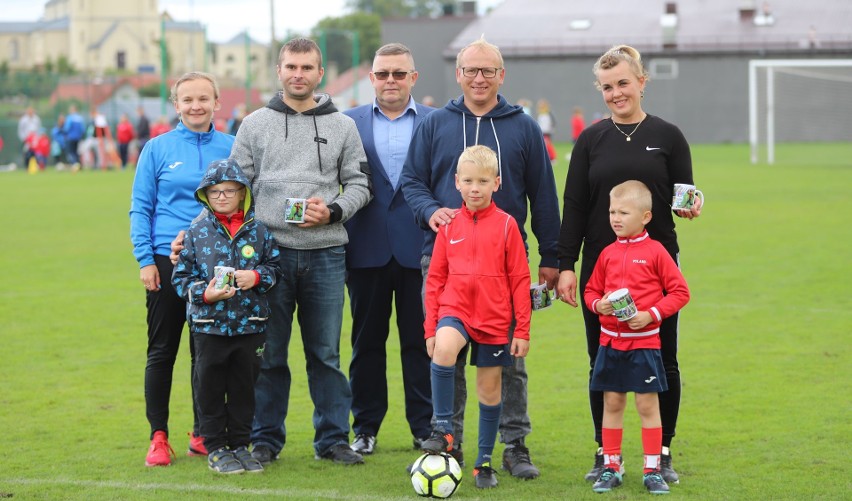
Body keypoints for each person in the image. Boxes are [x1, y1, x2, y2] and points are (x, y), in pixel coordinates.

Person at [401, 35, 561, 479]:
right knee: (444, 354)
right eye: (471, 69)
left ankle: (514, 444)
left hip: (504, 266)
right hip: (444, 259)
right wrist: (432, 212)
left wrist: (552, 254)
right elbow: (411, 182)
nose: (478, 77)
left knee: (508, 362)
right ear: (459, 74)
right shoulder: (435, 125)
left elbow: (544, 196)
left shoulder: (523, 126)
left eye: (487, 70)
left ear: (500, 75)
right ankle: (448, 441)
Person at [555, 44, 703, 485]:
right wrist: (566, 264)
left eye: (623, 82)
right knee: (601, 362)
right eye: (607, 87)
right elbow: (575, 205)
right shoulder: (590, 139)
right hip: (603, 271)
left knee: (665, 361)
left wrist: (688, 207)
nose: (616, 93)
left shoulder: (670, 135)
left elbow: (684, 194)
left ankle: (663, 451)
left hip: (654, 270)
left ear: (642, 81)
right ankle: (606, 454)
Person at [228, 37, 372, 466]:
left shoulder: (343, 126)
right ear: (279, 71)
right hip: (268, 259)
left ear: (320, 73)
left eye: (307, 67)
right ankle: (266, 439)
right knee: (269, 355)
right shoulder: (253, 125)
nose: (298, 74)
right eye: (291, 66)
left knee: (325, 354)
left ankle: (332, 439)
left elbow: (361, 185)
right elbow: (234, 191)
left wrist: (331, 212)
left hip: (326, 253)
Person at [129, 71, 235, 467]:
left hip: (216, 264)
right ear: (176, 105)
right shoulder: (157, 148)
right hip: (165, 262)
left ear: (216, 102)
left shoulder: (232, 146)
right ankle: (159, 436)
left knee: (206, 352)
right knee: (162, 351)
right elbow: (141, 206)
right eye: (187, 99)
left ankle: (202, 432)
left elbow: (243, 204)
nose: (196, 106)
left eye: (203, 99)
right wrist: (145, 259)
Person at [420, 145, 531, 490]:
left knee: (489, 389)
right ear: (456, 182)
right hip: (456, 311)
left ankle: (483, 463)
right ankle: (443, 429)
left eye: (483, 181)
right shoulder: (449, 224)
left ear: (497, 183)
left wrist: (522, 329)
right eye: (468, 180)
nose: (475, 188)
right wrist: (430, 327)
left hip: (495, 319)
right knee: (443, 352)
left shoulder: (507, 225)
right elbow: (435, 278)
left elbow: (520, 279)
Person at [342, 42, 433, 456]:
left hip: (422, 250)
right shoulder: (346, 123)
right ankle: (365, 427)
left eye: (399, 73)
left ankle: (425, 426)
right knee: (366, 345)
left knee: (421, 342)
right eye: (382, 74)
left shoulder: (437, 121)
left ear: (413, 77)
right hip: (365, 248)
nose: (390, 81)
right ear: (372, 78)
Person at [172, 158, 281, 475]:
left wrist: (256, 278)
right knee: (209, 387)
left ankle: (240, 446)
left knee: (244, 388)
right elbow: (181, 279)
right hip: (209, 328)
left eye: (229, 191)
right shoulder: (196, 232)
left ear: (243, 193)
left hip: (250, 327)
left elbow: (276, 269)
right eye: (215, 191)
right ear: (205, 194)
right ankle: (216, 448)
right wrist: (205, 294)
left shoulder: (259, 231)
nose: (222, 196)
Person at [583, 180, 690, 494]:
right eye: (612, 211)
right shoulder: (606, 253)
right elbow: (591, 290)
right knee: (612, 403)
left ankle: (653, 469)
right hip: (610, 343)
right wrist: (597, 304)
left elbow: (681, 292)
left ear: (645, 216)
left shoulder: (656, 251)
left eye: (624, 212)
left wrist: (650, 315)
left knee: (647, 406)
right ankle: (612, 466)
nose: (615, 218)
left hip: (644, 344)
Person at [64, 105, 86, 170]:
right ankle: (79, 164)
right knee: (77, 152)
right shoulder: (80, 118)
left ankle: (74, 164)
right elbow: (83, 129)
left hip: (71, 137)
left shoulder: (70, 117)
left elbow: (66, 128)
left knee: (71, 152)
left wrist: (66, 134)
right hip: (78, 138)